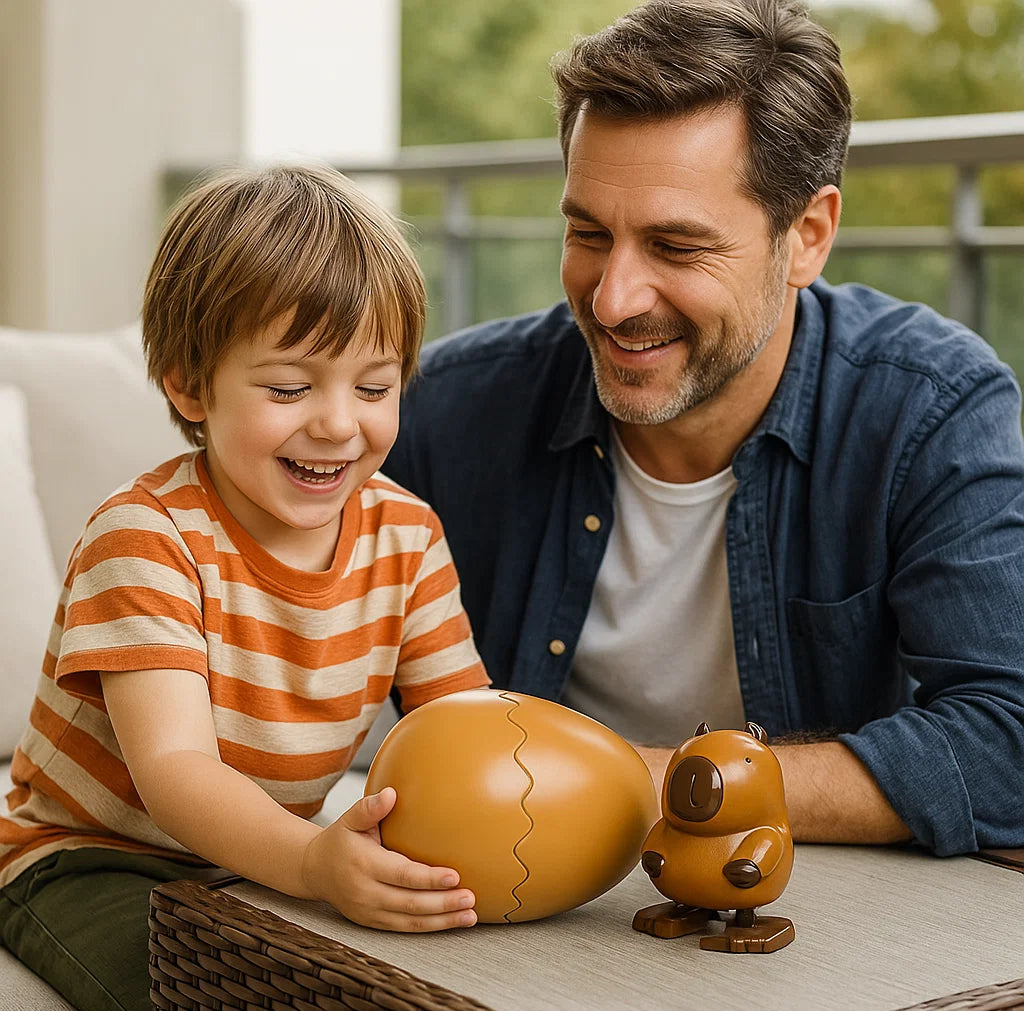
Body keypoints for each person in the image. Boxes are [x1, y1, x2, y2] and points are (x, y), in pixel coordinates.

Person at [384, 0, 1024, 859]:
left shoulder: (930, 409)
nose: (613, 300)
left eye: (676, 248)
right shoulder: (448, 410)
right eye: (587, 233)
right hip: (505, 903)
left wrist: (639, 781)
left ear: (807, 236)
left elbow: (1008, 740)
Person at [0, 165, 488, 1011]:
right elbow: (177, 770)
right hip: (92, 856)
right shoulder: (144, 538)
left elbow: (468, 723)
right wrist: (310, 866)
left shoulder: (407, 535)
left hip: (253, 855)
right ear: (190, 385)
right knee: (194, 1000)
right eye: (290, 388)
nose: (340, 423)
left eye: (374, 388)